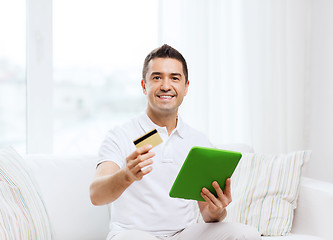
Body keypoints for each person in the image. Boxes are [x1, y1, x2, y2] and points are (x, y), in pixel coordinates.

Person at [89, 44, 261, 240]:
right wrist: (126, 175)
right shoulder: (120, 136)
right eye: (157, 77)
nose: (165, 85)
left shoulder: (198, 141)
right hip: (133, 234)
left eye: (174, 78)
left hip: (184, 234)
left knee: (247, 235)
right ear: (144, 86)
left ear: (186, 87)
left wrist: (217, 210)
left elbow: (208, 214)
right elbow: (96, 195)